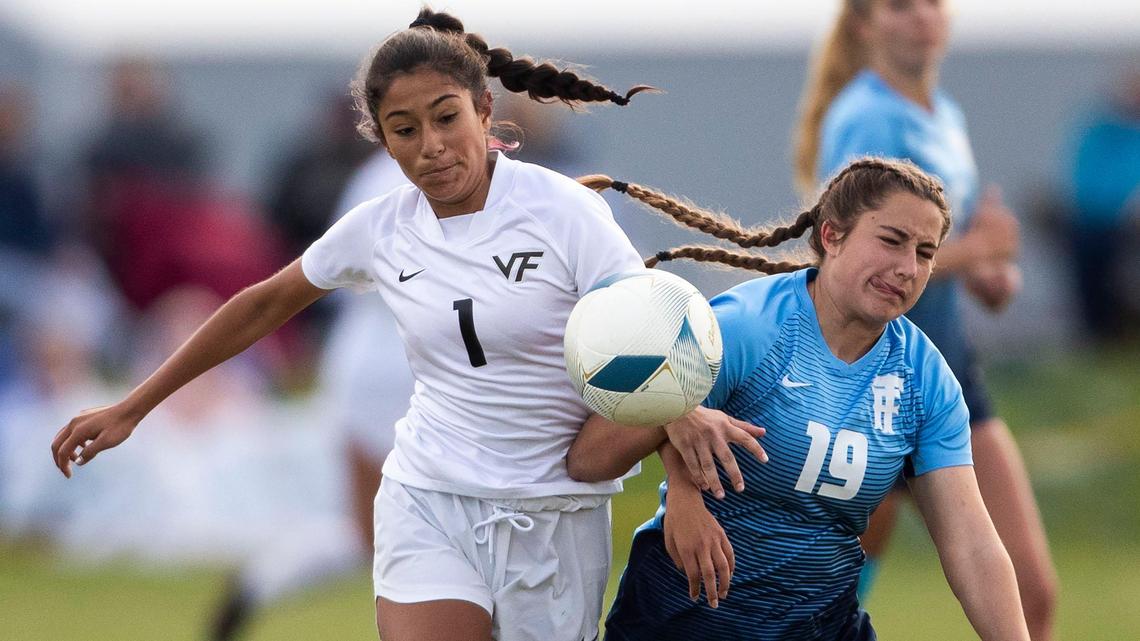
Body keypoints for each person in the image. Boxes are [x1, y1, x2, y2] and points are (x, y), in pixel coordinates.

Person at [50, 9, 763, 641]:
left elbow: (656, 349)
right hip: (431, 496)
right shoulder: (380, 225)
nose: (431, 145)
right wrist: (132, 406)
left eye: (446, 117)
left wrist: (687, 496)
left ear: (485, 110)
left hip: (554, 512)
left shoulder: (565, 213)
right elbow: (262, 303)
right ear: (381, 141)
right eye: (404, 129)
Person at [568, 158, 1031, 640]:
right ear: (832, 236)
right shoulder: (743, 328)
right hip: (685, 621)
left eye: (925, 252)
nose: (907, 268)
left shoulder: (926, 380)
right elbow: (588, 460)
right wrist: (678, 442)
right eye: (891, 241)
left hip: (821, 627)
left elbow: (971, 543)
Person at [791, 1, 1057, 636]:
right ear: (863, 24)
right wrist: (978, 250)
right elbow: (854, 260)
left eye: (932, 3)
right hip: (867, 376)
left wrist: (985, 272)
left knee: (1030, 594)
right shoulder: (864, 116)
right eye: (899, 6)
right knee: (816, 606)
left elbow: (932, 247)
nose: (921, 18)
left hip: (947, 373)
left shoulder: (945, 115)